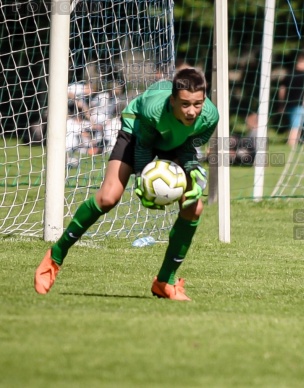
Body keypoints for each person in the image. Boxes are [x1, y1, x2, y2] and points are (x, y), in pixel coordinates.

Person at [34, 67, 220, 301]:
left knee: (194, 207)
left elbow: (188, 147)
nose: (192, 111)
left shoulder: (211, 116)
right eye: (184, 104)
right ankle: (55, 255)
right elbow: (143, 147)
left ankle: (165, 281)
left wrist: (192, 172)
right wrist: (143, 180)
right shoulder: (154, 110)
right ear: (172, 100)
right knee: (108, 197)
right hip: (137, 130)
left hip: (174, 143)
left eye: (197, 104)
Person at [278, 50, 304, 147]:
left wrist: (281, 103)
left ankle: (293, 143)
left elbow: (282, 89)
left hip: (294, 105)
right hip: (298, 105)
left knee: (296, 125)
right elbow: (282, 89)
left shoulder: (290, 73)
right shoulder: (303, 76)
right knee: (296, 126)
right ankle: (291, 144)